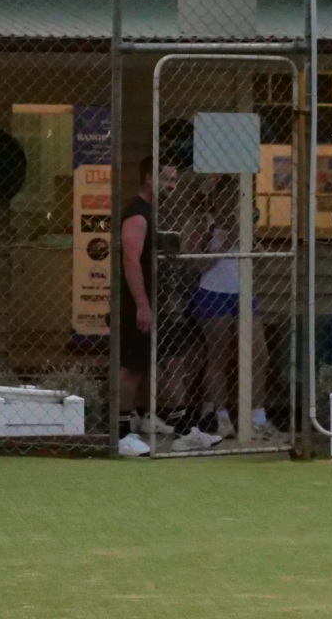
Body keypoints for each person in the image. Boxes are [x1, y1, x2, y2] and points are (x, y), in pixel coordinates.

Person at [183, 177, 275, 447]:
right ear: (218, 197)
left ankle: (257, 417)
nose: (234, 202)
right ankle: (220, 417)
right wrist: (223, 246)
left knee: (260, 355)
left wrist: (248, 238)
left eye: (239, 197)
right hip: (213, 293)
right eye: (230, 196)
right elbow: (191, 266)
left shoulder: (241, 223)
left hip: (243, 294)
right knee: (219, 355)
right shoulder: (202, 223)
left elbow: (262, 264)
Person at [118, 155, 177, 455]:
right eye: (168, 180)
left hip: (152, 301)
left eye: (175, 181)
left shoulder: (151, 213)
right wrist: (142, 304)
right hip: (134, 303)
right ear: (151, 178)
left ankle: (142, 419)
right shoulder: (137, 214)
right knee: (131, 367)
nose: (172, 186)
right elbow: (130, 260)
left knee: (146, 364)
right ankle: (119, 433)